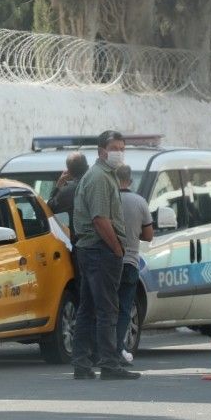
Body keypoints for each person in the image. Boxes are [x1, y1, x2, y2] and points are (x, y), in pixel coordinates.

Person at [70, 130, 140, 380]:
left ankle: (82, 363)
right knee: (107, 309)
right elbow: (100, 219)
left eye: (122, 148)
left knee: (89, 308)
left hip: (93, 250)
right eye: (114, 148)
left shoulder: (104, 175)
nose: (119, 153)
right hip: (100, 250)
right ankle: (109, 364)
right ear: (101, 151)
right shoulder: (100, 177)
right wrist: (117, 248)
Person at [114, 163, 153, 365]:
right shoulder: (140, 202)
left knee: (106, 308)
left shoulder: (109, 201)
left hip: (109, 262)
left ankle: (103, 350)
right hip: (130, 262)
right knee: (124, 309)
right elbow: (148, 235)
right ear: (130, 181)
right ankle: (118, 348)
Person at [47, 152, 88, 240]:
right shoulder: (98, 184)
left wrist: (58, 185)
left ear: (69, 171)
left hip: (78, 240)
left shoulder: (66, 191)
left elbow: (49, 208)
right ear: (87, 167)